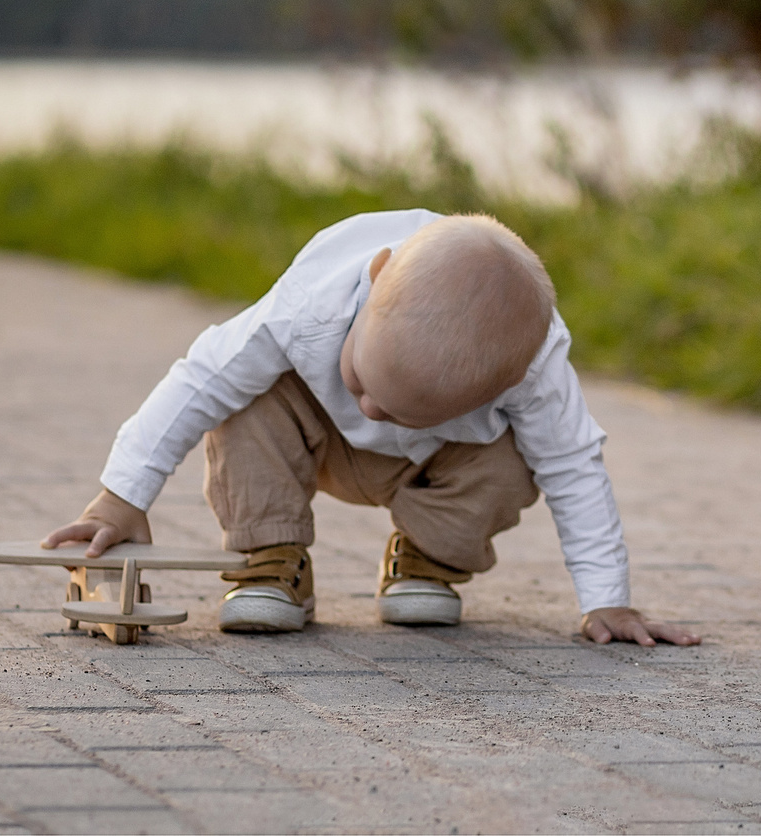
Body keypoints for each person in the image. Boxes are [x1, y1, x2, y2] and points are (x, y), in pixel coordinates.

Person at [43, 209, 699, 647]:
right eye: (361, 379)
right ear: (377, 277)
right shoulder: (308, 308)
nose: (373, 411)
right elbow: (199, 380)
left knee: (519, 458)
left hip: (438, 465)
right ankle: (270, 562)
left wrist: (607, 599)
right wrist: (122, 494)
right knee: (242, 399)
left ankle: (428, 559)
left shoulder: (534, 366)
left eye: (400, 406)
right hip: (310, 437)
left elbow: (574, 465)